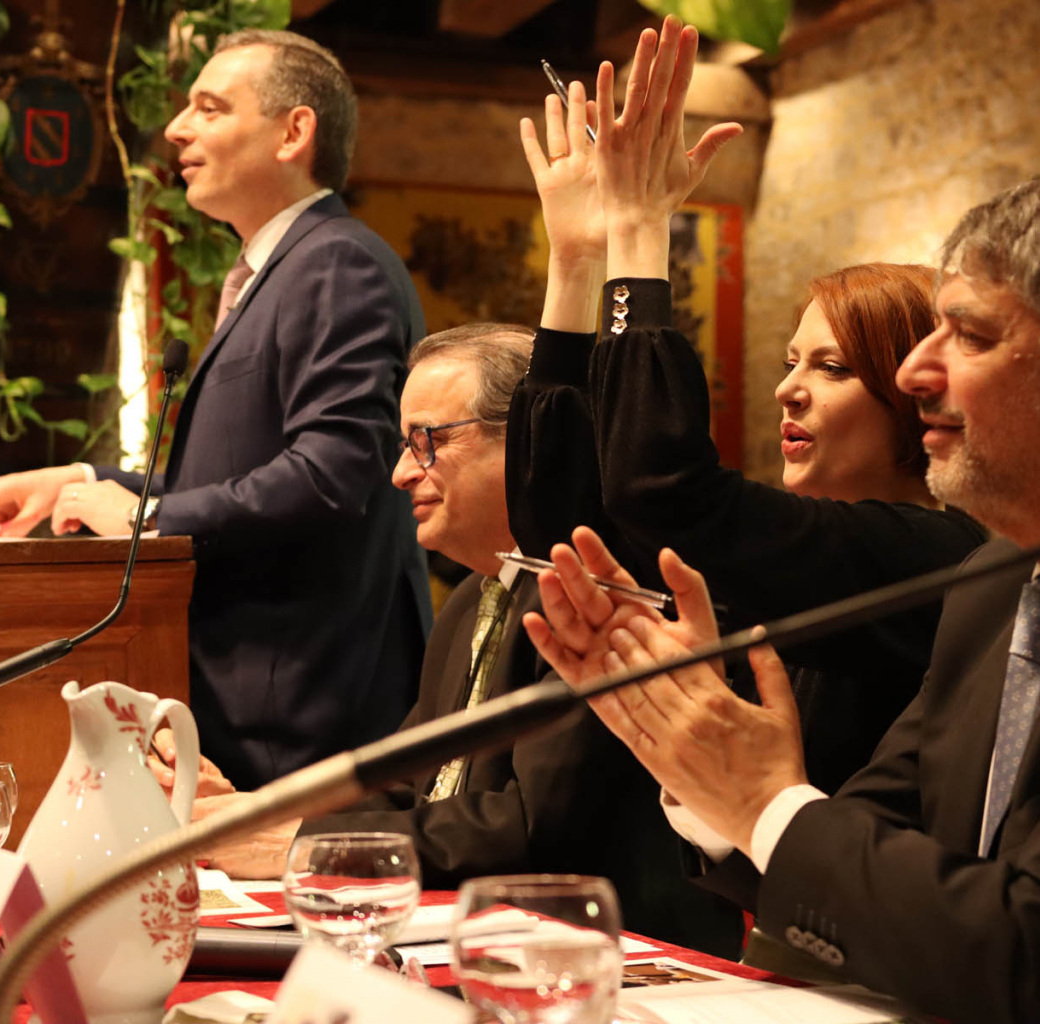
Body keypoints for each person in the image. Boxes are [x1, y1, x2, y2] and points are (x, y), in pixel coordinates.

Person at [526, 167, 1040, 1022]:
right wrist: (706, 765)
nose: (917, 370)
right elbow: (859, 864)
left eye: (967, 335)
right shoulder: (994, 588)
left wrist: (763, 800)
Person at [506, 18, 986, 792]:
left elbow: (661, 492)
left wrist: (640, 227)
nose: (787, 389)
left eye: (832, 368)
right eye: (791, 362)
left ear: (918, 393)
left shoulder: (936, 554)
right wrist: (578, 258)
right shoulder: (807, 546)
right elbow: (561, 529)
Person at [161, 324, 743, 958]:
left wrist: (303, 842)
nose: (399, 474)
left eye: (427, 442)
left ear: (530, 436)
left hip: (618, 957)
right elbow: (410, 784)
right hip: (484, 936)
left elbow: (527, 829)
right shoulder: (471, 597)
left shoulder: (595, 594)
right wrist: (259, 813)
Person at [0, 30, 431, 789]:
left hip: (306, 705)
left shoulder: (336, 261)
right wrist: (81, 482)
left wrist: (146, 518)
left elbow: (333, 471)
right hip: (256, 700)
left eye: (209, 108)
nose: (177, 129)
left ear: (293, 133)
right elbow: (235, 475)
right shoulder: (278, 267)